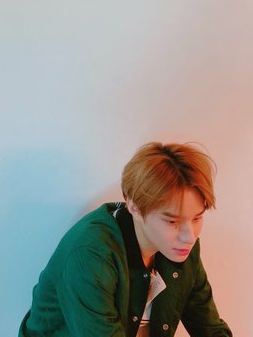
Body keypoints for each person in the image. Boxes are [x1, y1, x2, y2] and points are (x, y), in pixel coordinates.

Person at [19, 142, 232, 337]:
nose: (190, 236)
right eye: (172, 221)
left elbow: (210, 329)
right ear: (134, 207)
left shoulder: (180, 247)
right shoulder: (91, 255)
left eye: (197, 218)